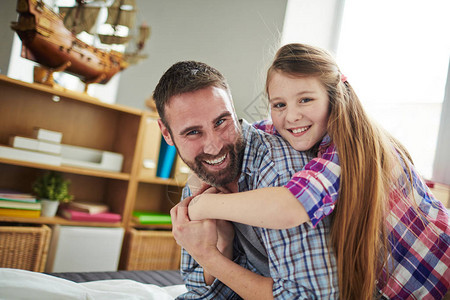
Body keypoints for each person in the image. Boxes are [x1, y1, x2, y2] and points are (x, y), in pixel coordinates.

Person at [186, 43, 450, 299]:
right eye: (279, 104)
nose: (291, 116)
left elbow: (292, 206)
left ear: (334, 98)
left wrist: (201, 206)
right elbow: (248, 138)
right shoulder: (294, 131)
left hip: (441, 276)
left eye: (305, 100)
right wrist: (206, 164)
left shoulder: (351, 146)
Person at [152, 60, 338, 299]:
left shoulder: (280, 172)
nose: (215, 145)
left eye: (221, 121)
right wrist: (223, 248)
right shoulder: (201, 180)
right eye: (193, 132)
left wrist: (209, 256)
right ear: (166, 133)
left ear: (233, 110)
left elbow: (310, 297)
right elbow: (198, 289)